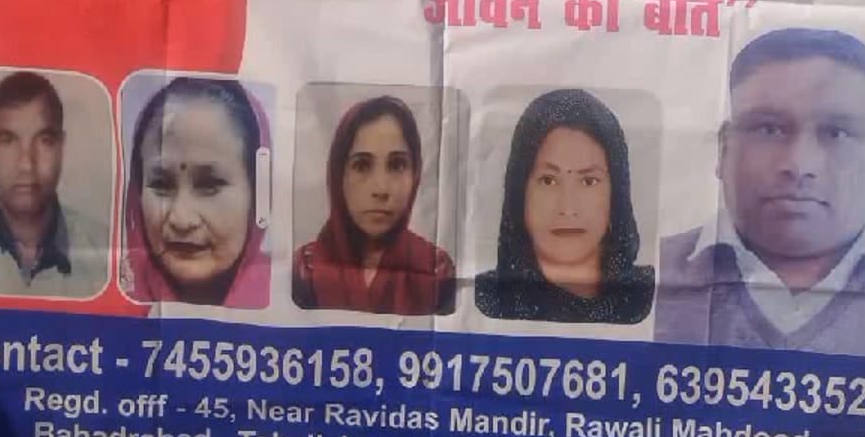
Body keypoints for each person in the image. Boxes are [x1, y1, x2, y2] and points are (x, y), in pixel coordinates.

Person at [653, 28, 865, 359]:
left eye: (836, 133)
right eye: (769, 129)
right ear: (724, 148)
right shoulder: (645, 273)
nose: (799, 165)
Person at [475, 89, 655, 325]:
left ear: (616, 194)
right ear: (519, 192)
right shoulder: (487, 299)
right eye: (548, 180)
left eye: (588, 181)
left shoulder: (650, 296)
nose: (568, 208)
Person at [0, 70, 110, 297]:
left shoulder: (107, 254)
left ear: (61, 147)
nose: (26, 165)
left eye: (44, 141)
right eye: (8, 140)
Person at [291, 95, 456, 315]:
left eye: (397, 165)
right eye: (361, 166)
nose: (381, 189)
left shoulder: (436, 269)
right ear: (339, 175)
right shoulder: (305, 268)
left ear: (415, 174)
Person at [119, 75, 272, 308]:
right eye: (161, 185)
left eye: (209, 185)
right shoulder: (112, 295)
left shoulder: (290, 295)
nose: (182, 219)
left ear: (256, 192)